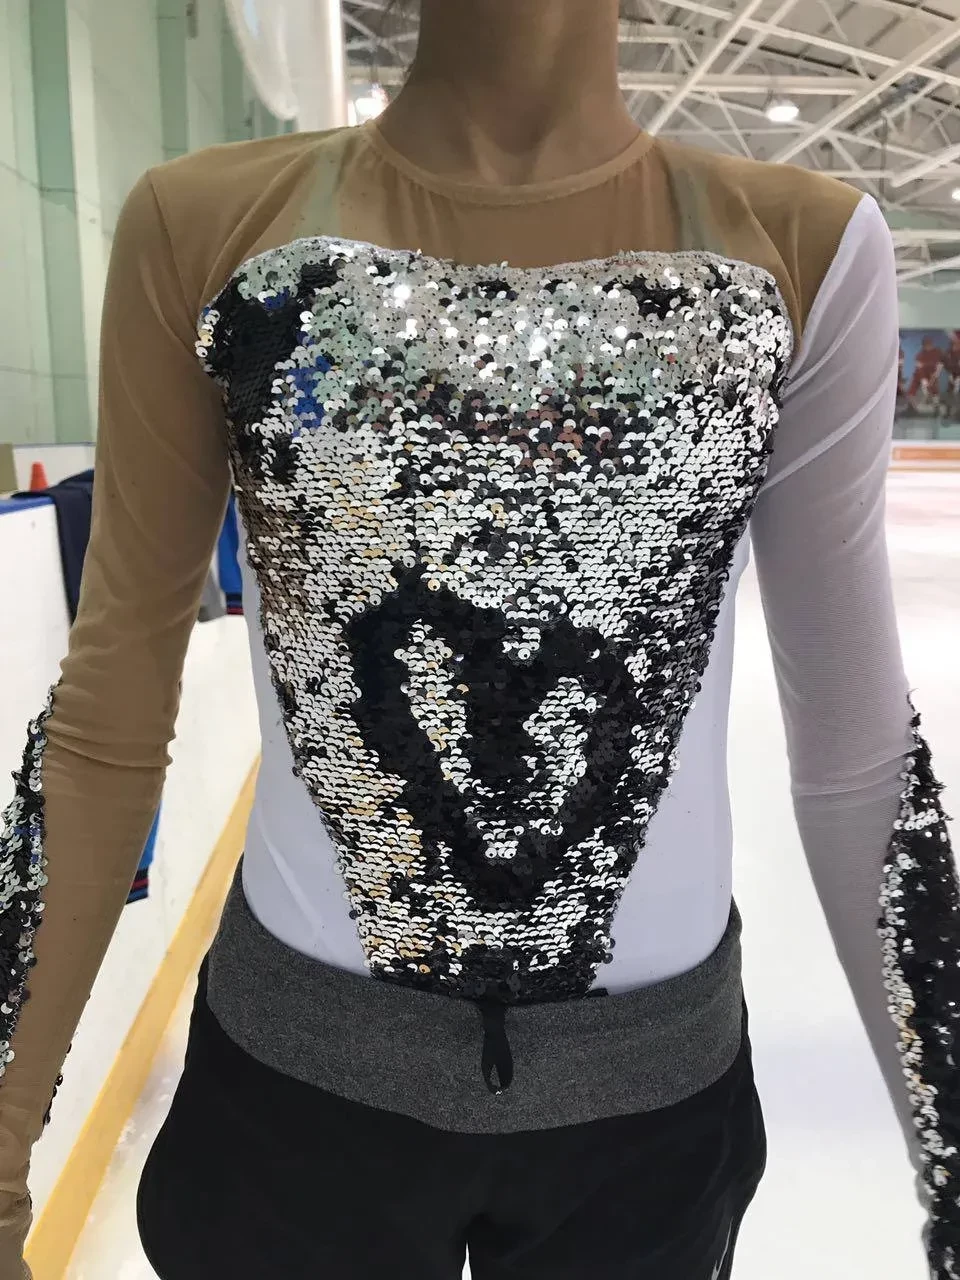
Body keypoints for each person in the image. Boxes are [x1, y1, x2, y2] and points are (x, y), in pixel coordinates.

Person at [0, 2, 956, 1277]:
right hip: (294, 1104)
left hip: (648, 1127)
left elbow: (858, 757)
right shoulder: (210, 225)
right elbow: (109, 710)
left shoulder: (803, 246)